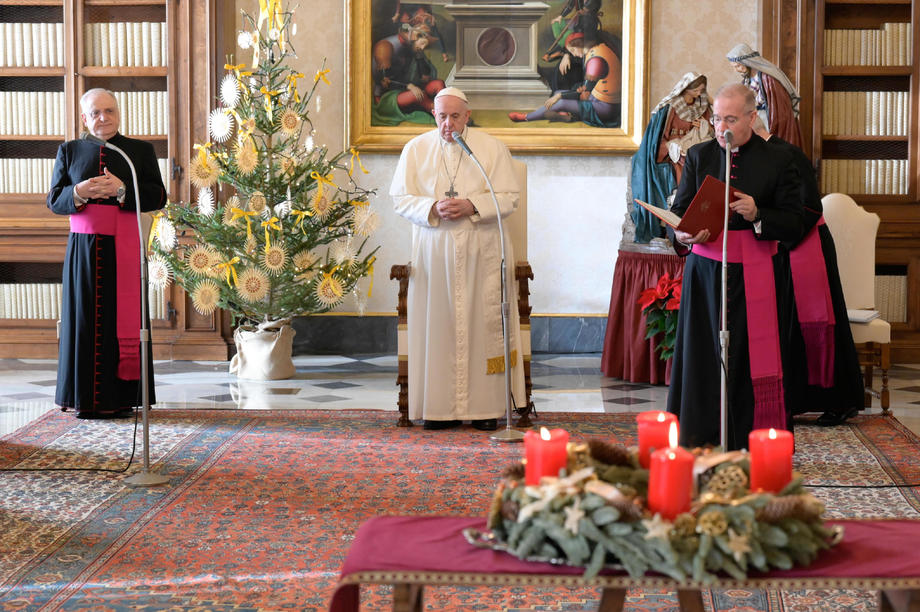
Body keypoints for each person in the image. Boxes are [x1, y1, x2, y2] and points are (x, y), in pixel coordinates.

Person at [666, 83, 805, 450]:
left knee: (748, 357)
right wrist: (681, 235)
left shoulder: (780, 158)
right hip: (707, 273)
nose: (720, 127)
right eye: (716, 118)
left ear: (751, 116)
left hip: (759, 272)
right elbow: (679, 214)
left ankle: (752, 435)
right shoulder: (699, 156)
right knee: (704, 354)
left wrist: (760, 214)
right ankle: (701, 434)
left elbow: (796, 221)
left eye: (729, 119)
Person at [390, 87, 526, 431]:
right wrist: (431, 207)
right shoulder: (416, 149)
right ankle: (438, 409)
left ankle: (485, 408)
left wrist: (472, 205)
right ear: (433, 115)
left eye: (454, 116)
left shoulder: (492, 148)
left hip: (484, 249)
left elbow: (509, 197)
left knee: (483, 327)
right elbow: (400, 199)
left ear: (467, 116)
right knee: (439, 326)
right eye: (441, 116)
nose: (447, 124)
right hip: (434, 252)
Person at [47, 88, 166, 419]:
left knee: (121, 319)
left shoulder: (139, 152)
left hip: (124, 247)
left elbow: (158, 197)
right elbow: (54, 200)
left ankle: (123, 398)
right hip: (83, 251)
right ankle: (81, 398)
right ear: (84, 118)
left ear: (118, 113)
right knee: (83, 319)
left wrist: (122, 190)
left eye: (109, 111)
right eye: (96, 112)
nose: (104, 117)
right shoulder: (69, 151)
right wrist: (78, 192)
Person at [751, 116, 865, 426]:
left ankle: (838, 401)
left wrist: (779, 231)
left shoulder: (788, 155)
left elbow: (810, 206)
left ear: (752, 124)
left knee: (810, 325)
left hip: (802, 243)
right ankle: (793, 399)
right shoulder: (762, 156)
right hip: (779, 244)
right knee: (785, 326)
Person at [631, 72, 713, 243]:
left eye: (701, 90)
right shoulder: (670, 108)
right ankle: (674, 223)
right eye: (696, 90)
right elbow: (658, 140)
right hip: (675, 153)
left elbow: (712, 132)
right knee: (683, 176)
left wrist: (704, 125)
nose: (699, 93)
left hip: (697, 149)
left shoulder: (702, 106)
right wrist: (674, 148)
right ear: (686, 89)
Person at [508, 27, 621, 127]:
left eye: (572, 50)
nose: (573, 54)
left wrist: (560, 97)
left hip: (604, 108)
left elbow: (584, 92)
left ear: (579, 44)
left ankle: (526, 117)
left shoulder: (595, 61)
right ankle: (565, 113)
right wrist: (566, 54)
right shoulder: (596, 48)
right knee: (558, 93)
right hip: (597, 98)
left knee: (560, 101)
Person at [727, 43, 803, 149]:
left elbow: (778, 107)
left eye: (738, 66)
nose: (737, 70)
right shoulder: (748, 77)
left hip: (766, 119)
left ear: (747, 62)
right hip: (755, 118)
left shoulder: (767, 78)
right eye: (735, 67)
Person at [372, 24, 446, 125]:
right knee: (418, 95)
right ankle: (444, 114)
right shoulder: (386, 47)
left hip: (411, 90)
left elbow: (425, 77)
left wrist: (419, 58)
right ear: (414, 37)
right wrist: (409, 86)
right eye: (422, 44)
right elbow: (384, 81)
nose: (423, 48)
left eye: (425, 45)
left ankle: (445, 106)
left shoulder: (414, 50)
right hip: (387, 97)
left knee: (438, 83)